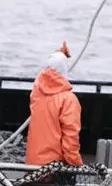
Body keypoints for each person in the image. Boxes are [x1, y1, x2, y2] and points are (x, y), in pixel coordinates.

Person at [25, 41, 84, 172]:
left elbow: (46, 73)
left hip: (32, 166)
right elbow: (70, 141)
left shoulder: (36, 94)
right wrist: (77, 166)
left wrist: (60, 55)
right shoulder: (68, 100)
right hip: (55, 170)